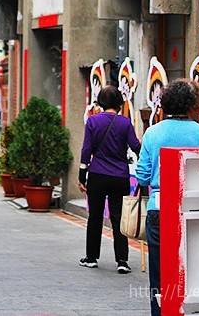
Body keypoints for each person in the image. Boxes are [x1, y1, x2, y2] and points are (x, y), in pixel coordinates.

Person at [135, 79, 199, 316]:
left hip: (159, 208)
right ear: (192, 105)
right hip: (196, 209)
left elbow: (142, 176)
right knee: (194, 269)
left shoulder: (152, 133)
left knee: (160, 274)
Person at [77, 86, 142, 273]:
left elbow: (86, 151)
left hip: (97, 175)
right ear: (119, 104)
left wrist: (82, 176)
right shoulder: (125, 123)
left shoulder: (92, 122)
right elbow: (136, 147)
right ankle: (122, 261)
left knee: (95, 217)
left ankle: (91, 258)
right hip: (120, 176)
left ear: (101, 103)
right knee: (118, 219)